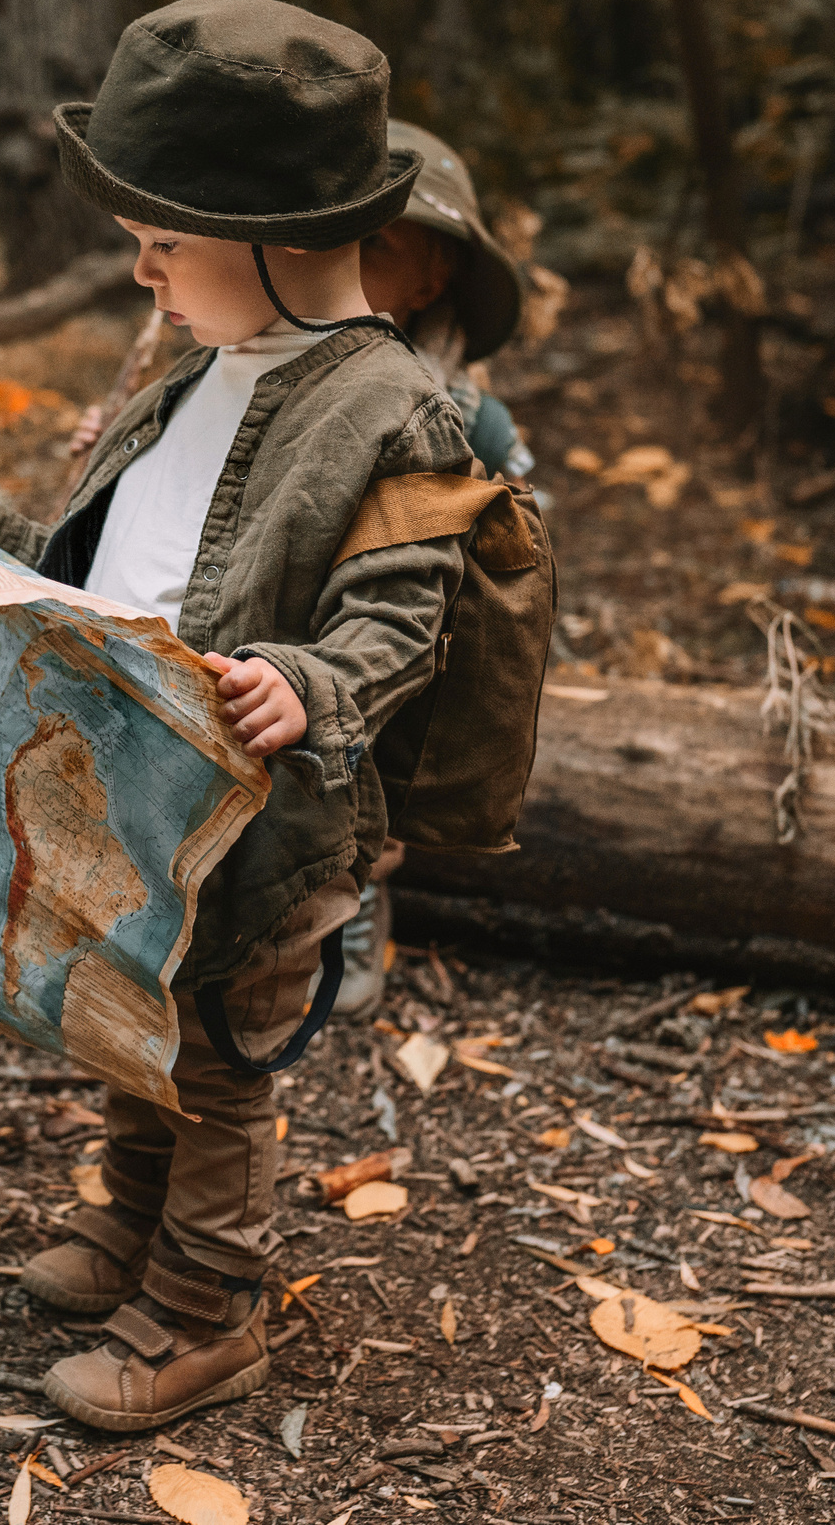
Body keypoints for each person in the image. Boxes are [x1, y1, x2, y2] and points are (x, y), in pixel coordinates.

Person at [0, 0, 472, 1431]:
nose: (142, 266)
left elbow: (404, 610)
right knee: (136, 1025)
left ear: (268, 238)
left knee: (219, 1064)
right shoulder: (196, 365)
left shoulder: (395, 411)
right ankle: (133, 1228)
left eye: (166, 240)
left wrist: (310, 680)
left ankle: (202, 1305)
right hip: (137, 780)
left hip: (261, 826)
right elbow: (126, 556)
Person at [332, 118, 532, 1015]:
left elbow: (521, 539)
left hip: (404, 641)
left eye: (375, 245)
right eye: (331, 238)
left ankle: (359, 885)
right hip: (278, 615)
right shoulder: (267, 366)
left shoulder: (460, 407)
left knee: (376, 715)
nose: (346, 263)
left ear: (432, 276)